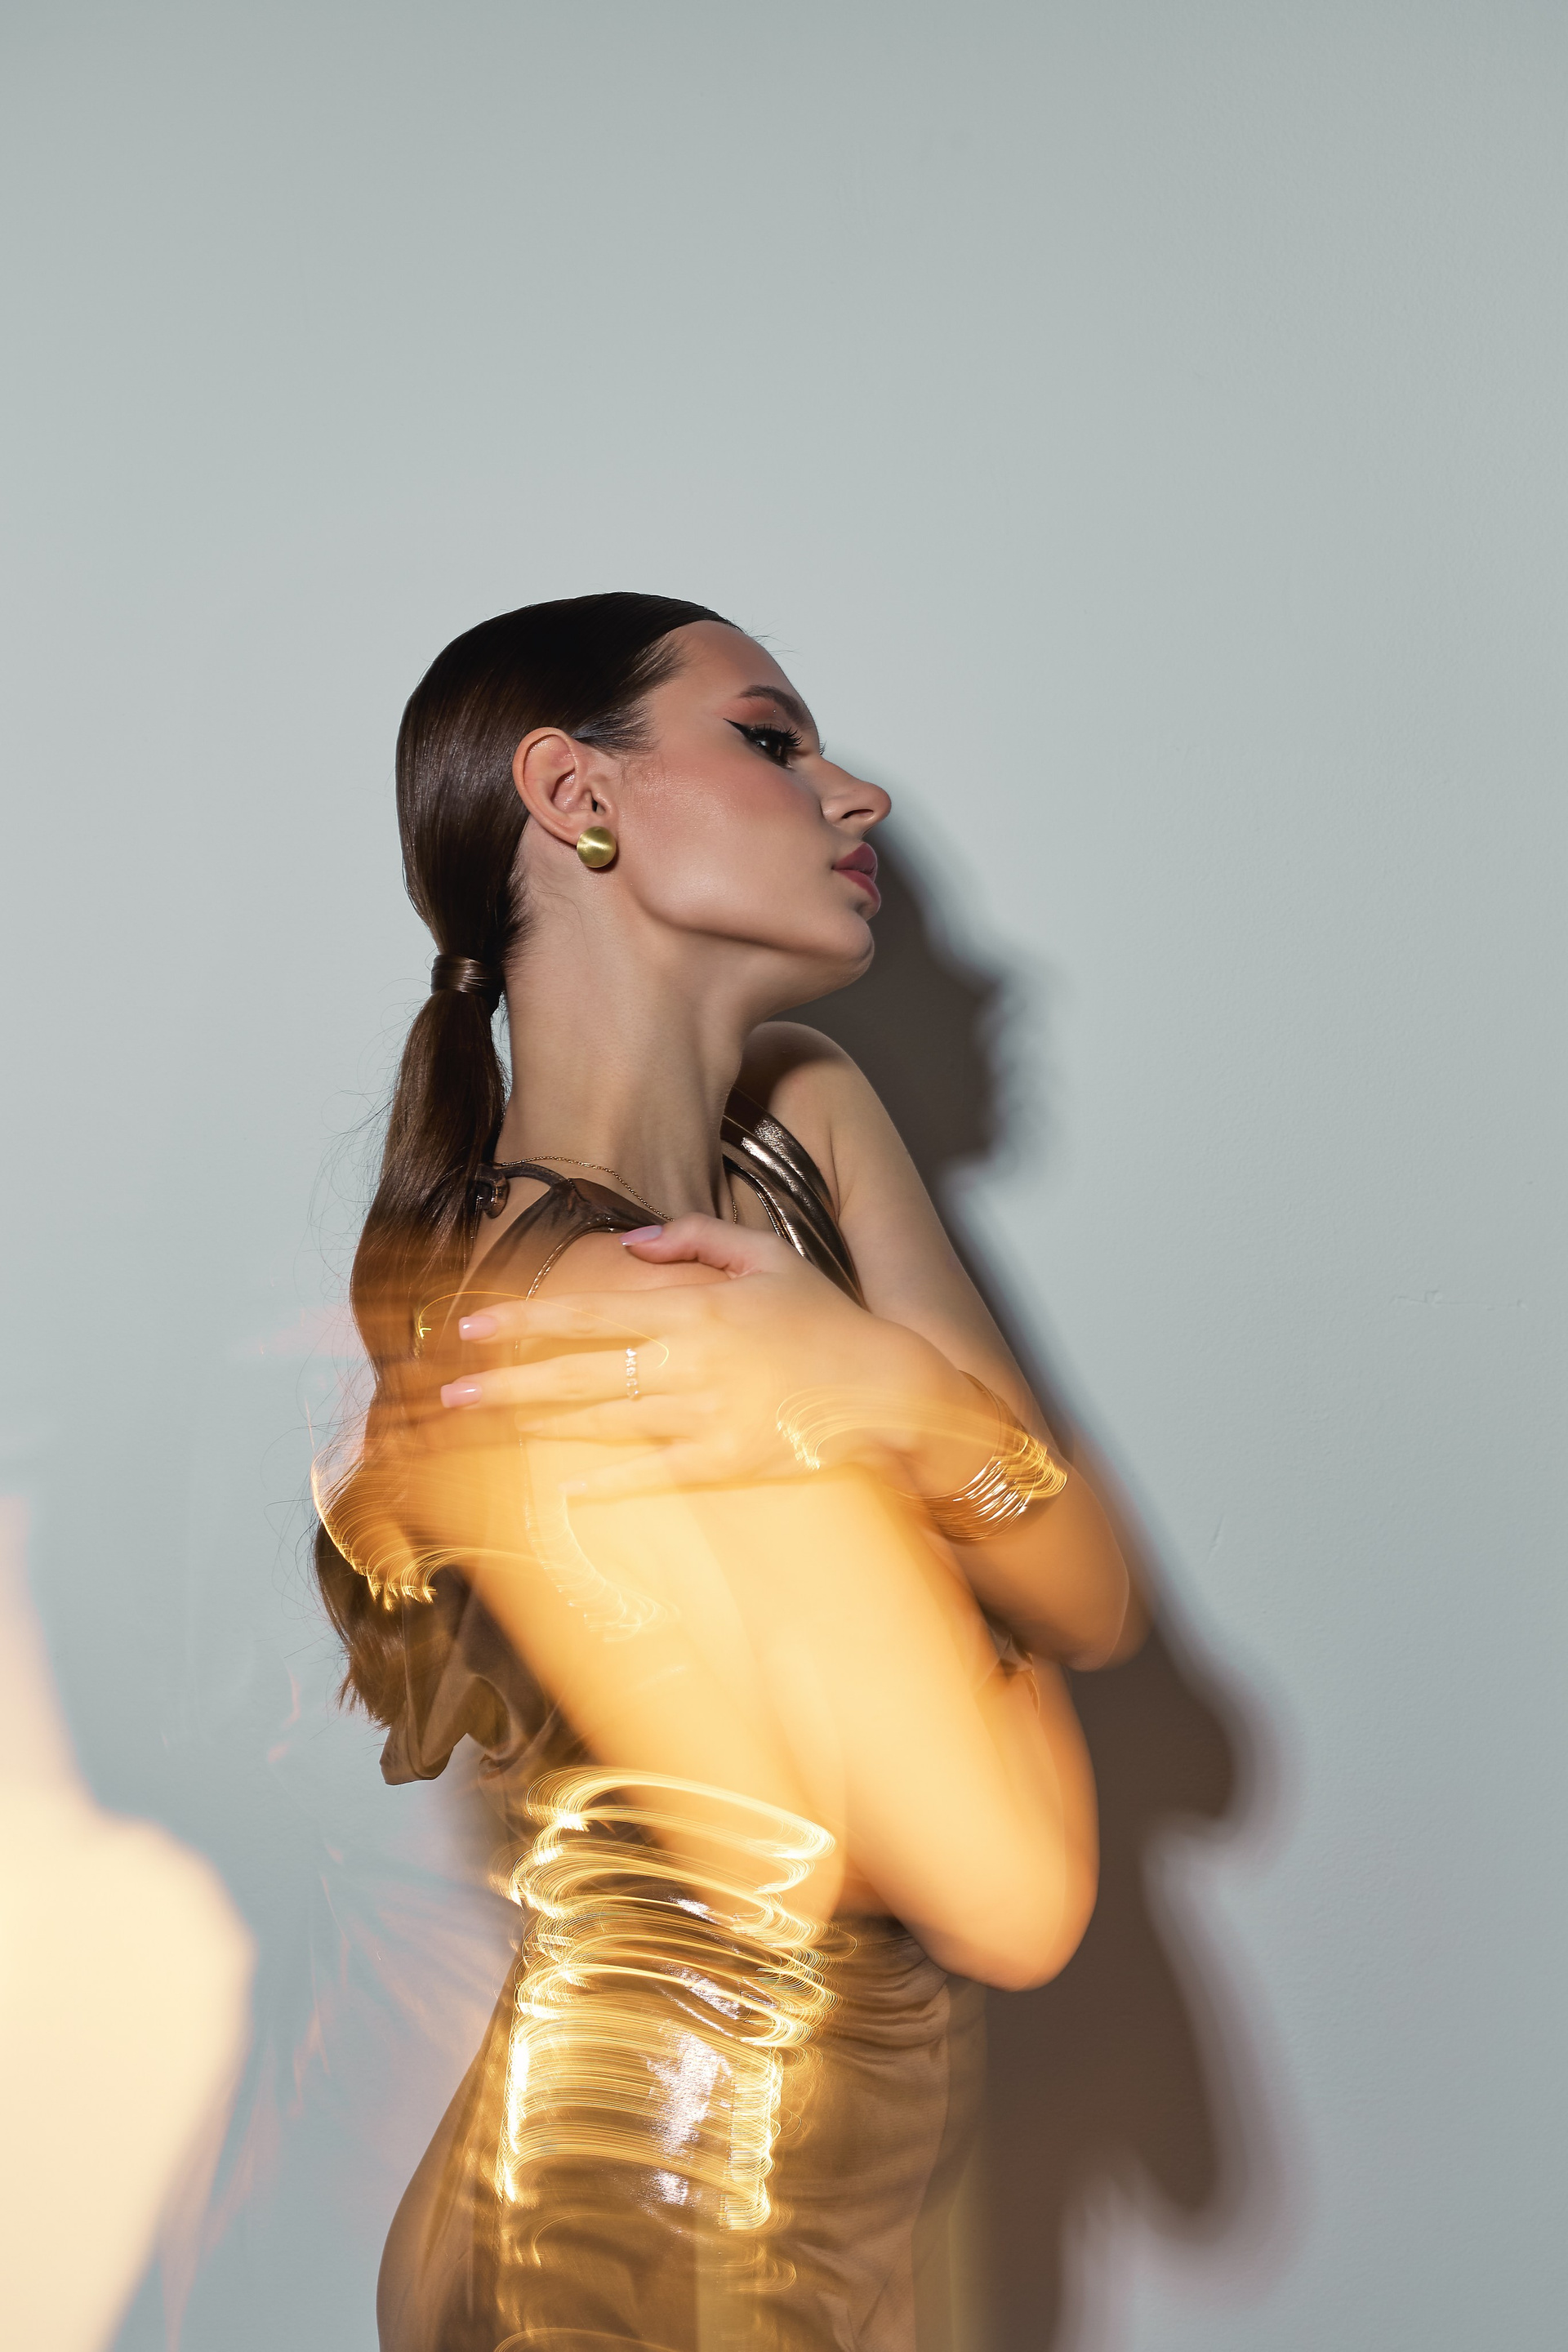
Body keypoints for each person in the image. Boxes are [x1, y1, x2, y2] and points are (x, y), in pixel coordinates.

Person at [312, 593, 1145, 2352]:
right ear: (575, 796)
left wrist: (884, 1398)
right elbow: (1015, 1887)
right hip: (630, 2258)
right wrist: (933, 1463)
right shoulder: (588, 1323)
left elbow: (1095, 1597)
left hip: (808, 2230)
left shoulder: (797, 1122)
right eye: (768, 741)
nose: (858, 796)